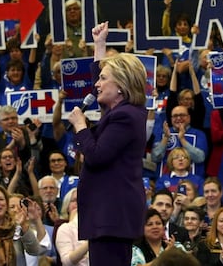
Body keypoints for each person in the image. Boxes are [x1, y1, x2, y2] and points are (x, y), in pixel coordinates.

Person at [67, 20, 148, 266]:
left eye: (103, 79)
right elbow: (100, 82)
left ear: (121, 86)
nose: (97, 85)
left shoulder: (125, 116)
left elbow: (96, 155)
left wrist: (81, 126)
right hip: (110, 215)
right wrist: (99, 45)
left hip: (112, 214)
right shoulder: (122, 111)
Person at [55, 188, 89, 266]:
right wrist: (91, 242)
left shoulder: (97, 226)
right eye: (75, 200)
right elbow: (67, 262)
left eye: (83, 200)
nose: (79, 203)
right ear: (67, 206)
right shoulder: (64, 228)